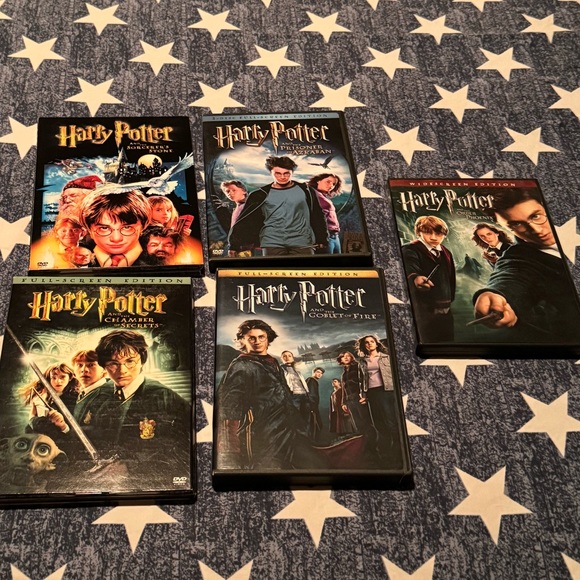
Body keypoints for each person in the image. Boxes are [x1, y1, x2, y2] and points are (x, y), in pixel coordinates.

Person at [82, 330, 192, 486]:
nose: (122, 370)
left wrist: (130, 469)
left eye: (130, 361)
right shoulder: (99, 398)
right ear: (104, 366)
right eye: (113, 363)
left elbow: (184, 452)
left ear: (142, 361)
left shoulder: (165, 397)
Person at [473, 187, 580, 340]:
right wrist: (495, 295)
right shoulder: (518, 257)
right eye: (517, 224)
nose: (536, 230)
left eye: (536, 216)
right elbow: (511, 275)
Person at [216, 320, 319, 470]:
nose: (257, 341)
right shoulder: (240, 366)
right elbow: (229, 409)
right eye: (252, 338)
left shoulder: (274, 362)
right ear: (242, 340)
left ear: (268, 339)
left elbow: (285, 392)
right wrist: (231, 452)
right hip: (265, 433)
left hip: (291, 428)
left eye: (261, 337)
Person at [227, 156, 328, 256]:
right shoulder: (260, 195)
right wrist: (234, 245)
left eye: (286, 173)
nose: (282, 177)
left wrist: (322, 238)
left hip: (302, 241)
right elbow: (245, 220)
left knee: (306, 267)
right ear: (271, 173)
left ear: (292, 172)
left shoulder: (306, 191)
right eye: (278, 173)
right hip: (272, 242)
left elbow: (317, 215)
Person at [401, 215, 456, 343]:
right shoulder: (410, 249)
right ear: (419, 232)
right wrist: (415, 279)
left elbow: (450, 278)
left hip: (445, 311)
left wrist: (449, 300)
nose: (433, 237)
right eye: (427, 232)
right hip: (422, 311)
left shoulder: (446, 252)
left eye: (438, 233)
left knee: (447, 344)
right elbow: (410, 268)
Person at [356, 335, 402, 465]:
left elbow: (395, 375)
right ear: (364, 346)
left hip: (386, 391)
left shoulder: (386, 357)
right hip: (372, 393)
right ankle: (386, 450)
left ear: (376, 344)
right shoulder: (362, 361)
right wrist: (363, 395)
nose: (369, 344)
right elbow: (361, 380)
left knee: (390, 421)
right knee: (378, 422)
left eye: (372, 341)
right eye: (366, 342)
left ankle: (398, 450)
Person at [79, 189, 151, 267]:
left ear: (142, 227)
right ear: (89, 229)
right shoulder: (75, 260)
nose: (116, 238)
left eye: (127, 227)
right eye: (104, 228)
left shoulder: (155, 258)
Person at [22, 363, 79, 440]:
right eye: (54, 378)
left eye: (62, 377)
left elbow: (72, 430)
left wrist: (63, 426)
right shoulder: (41, 396)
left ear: (70, 378)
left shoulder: (74, 398)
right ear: (49, 379)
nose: (58, 381)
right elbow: (31, 419)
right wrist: (32, 420)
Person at [337, 352, 377, 457]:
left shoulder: (358, 367)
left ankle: (374, 448)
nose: (346, 358)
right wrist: (343, 402)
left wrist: (364, 395)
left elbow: (364, 381)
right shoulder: (343, 374)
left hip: (358, 398)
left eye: (348, 356)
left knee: (367, 423)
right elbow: (343, 389)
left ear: (352, 357)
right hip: (349, 401)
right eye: (343, 357)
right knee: (358, 425)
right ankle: (366, 448)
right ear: (341, 360)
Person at [307, 173, 342, 253]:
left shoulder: (322, 196)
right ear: (318, 181)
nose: (331, 185)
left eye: (333, 184)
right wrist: (320, 238)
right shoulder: (312, 194)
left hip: (335, 235)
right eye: (328, 182)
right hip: (325, 236)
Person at [71, 350, 108, 424]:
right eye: (80, 365)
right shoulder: (81, 393)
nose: (84, 370)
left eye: (91, 365)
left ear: (104, 369)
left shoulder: (107, 394)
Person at [281, 351, 311, 435]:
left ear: (292, 358)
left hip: (304, 395)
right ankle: (299, 438)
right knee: (296, 418)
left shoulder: (297, 369)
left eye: (289, 356)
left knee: (306, 418)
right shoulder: (281, 369)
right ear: (281, 359)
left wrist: (308, 394)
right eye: (284, 356)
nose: (287, 357)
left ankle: (308, 437)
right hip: (293, 396)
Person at [305, 367, 324, 441]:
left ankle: (314, 441)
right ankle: (315, 442)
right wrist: (312, 407)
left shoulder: (310, 380)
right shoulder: (312, 380)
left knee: (314, 425)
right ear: (313, 372)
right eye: (318, 372)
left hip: (310, 406)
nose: (320, 374)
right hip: (311, 406)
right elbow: (312, 395)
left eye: (321, 373)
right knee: (316, 425)